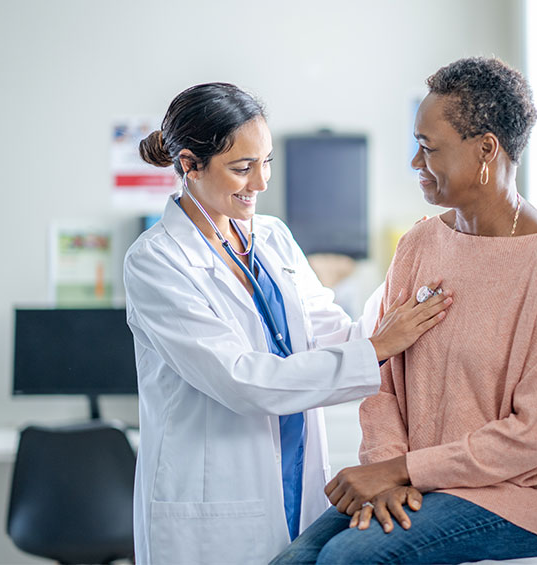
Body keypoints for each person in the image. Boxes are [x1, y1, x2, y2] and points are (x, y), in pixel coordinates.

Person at [272, 57, 537, 564]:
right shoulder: (419, 245)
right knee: (293, 560)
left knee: (347, 557)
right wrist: (388, 470)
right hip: (420, 482)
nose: (414, 162)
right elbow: (383, 381)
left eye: (428, 148)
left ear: (486, 149)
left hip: (519, 497)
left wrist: (404, 470)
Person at [124, 82, 453, 564]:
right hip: (213, 504)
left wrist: (408, 266)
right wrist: (377, 348)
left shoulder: (272, 237)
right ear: (190, 165)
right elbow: (242, 381)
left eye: (267, 162)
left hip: (296, 483)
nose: (260, 183)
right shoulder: (156, 261)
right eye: (242, 168)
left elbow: (339, 335)